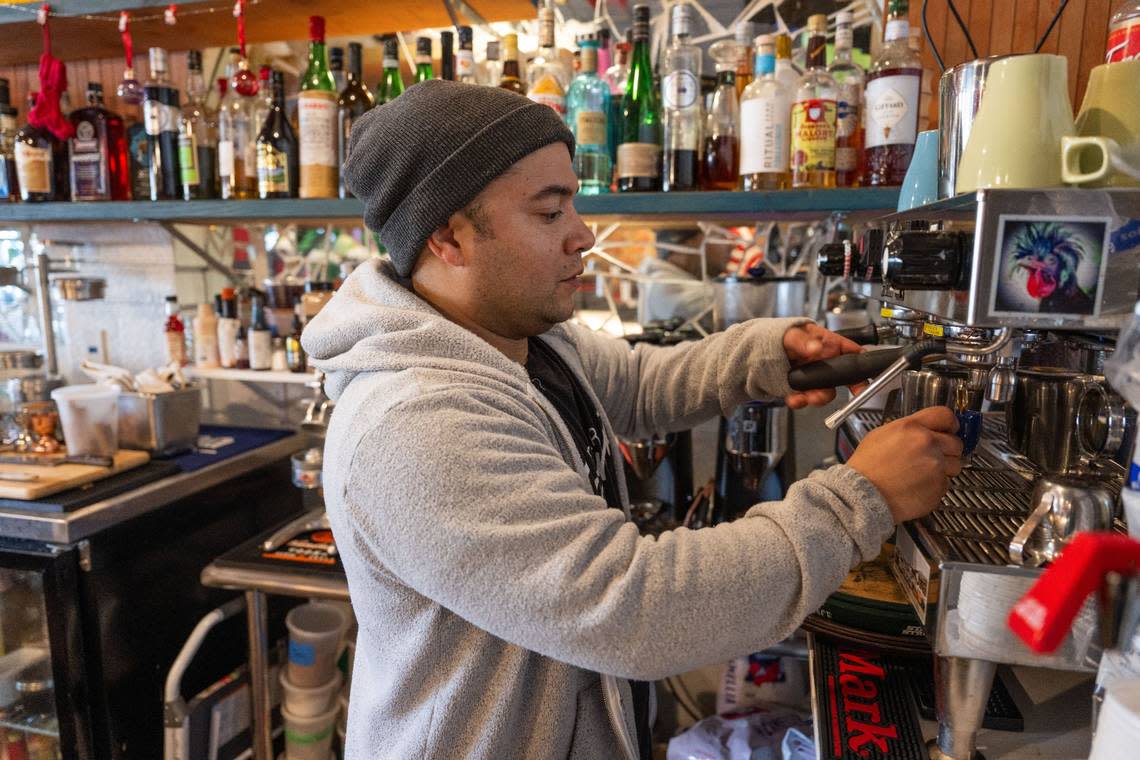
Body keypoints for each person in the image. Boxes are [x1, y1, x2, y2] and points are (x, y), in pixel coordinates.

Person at [302, 81, 963, 760]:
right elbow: (636, 608)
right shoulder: (417, 425)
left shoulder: (523, 339)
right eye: (549, 213)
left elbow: (639, 382)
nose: (582, 235)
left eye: (573, 206)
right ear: (449, 237)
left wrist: (764, 356)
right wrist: (861, 499)